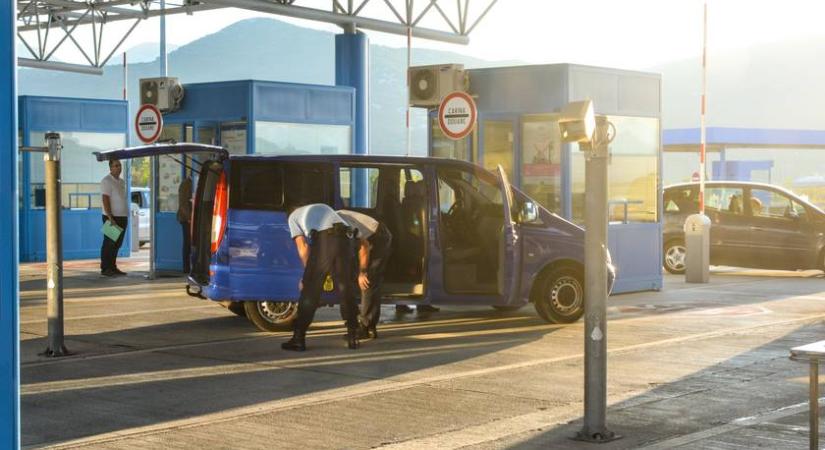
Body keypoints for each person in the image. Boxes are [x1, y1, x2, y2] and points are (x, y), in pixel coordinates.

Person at [282, 203, 358, 352]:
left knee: (310, 289)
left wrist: (307, 275)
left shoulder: (293, 217)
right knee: (345, 288)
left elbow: (303, 247)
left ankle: (298, 339)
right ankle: (352, 336)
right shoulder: (321, 207)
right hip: (346, 240)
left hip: (326, 240)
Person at [336, 210, 393, 339]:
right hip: (369, 236)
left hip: (378, 236)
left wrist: (363, 272)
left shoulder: (340, 223)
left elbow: (364, 246)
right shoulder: (331, 223)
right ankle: (365, 325)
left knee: (368, 280)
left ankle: (366, 327)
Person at [100, 158, 128, 277]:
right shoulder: (106, 181)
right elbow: (105, 199)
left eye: (119, 165)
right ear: (110, 168)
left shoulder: (121, 182)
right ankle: (105, 268)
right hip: (111, 217)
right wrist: (110, 217)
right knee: (109, 243)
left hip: (122, 216)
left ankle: (113, 267)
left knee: (117, 244)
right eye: (116, 166)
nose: (118, 168)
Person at [177, 177, 193, 273]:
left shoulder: (195, 182)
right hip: (186, 219)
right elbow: (183, 203)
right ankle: (186, 268)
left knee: (191, 243)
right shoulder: (186, 184)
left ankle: (191, 267)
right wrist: (189, 217)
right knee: (187, 243)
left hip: (193, 218)